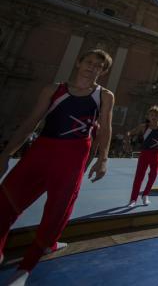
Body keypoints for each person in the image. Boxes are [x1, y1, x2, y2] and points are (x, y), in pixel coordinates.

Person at [0, 49, 115, 284]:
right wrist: (6, 154)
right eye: (89, 62)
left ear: (102, 72)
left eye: (98, 66)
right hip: (42, 150)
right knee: (6, 201)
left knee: (57, 210)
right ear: (78, 63)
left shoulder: (104, 96)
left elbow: (105, 128)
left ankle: (25, 268)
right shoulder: (54, 89)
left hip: (73, 157)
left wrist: (103, 158)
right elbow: (31, 122)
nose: (92, 67)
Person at [126, 106, 158, 207]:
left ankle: (145, 194)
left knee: (153, 175)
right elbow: (129, 133)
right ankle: (133, 199)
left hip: (155, 154)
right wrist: (127, 142)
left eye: (157, 115)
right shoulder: (143, 126)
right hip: (144, 153)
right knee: (139, 176)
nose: (154, 117)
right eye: (152, 115)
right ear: (148, 116)